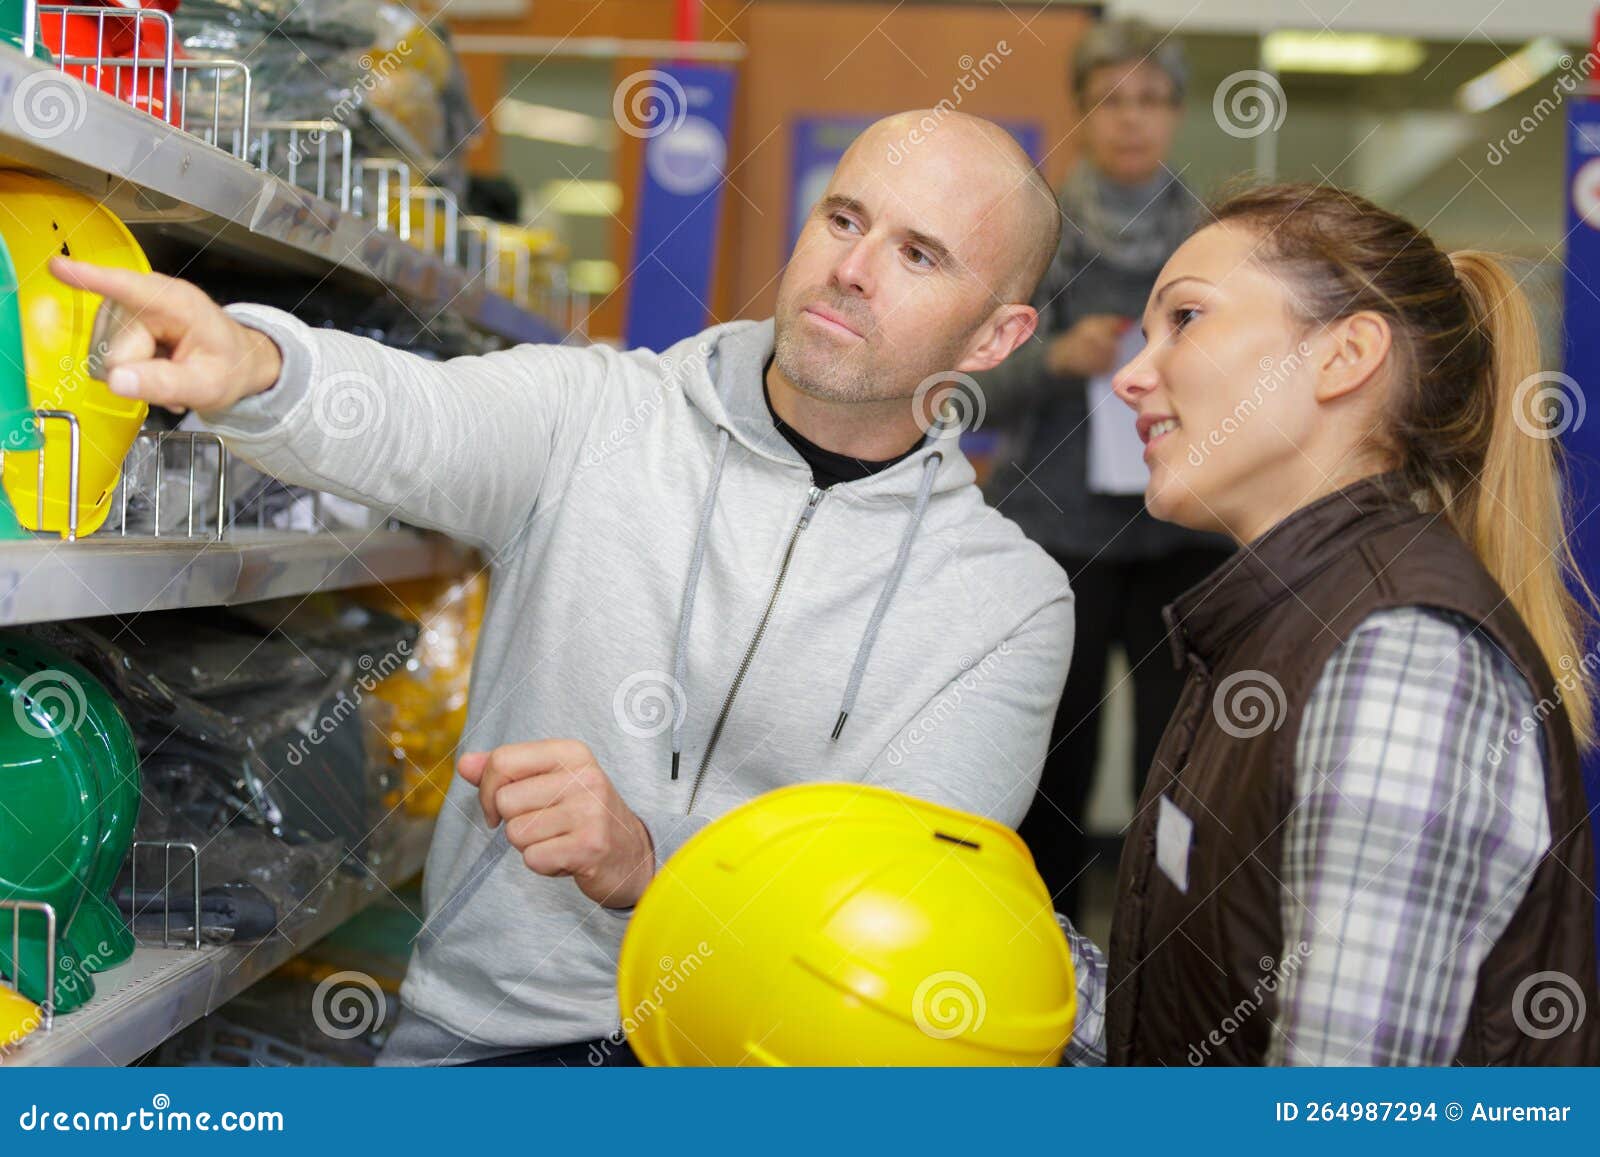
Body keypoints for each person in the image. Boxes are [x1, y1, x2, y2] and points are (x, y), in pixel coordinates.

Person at [51, 110, 1076, 1066]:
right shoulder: (601, 412)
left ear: (993, 338)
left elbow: (900, 912)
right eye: (843, 218)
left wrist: (652, 866)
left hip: (766, 1071)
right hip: (490, 1047)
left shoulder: (1006, 604)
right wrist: (263, 365)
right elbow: (425, 415)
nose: (851, 270)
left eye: (918, 254)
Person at [1059, 181, 1600, 1066]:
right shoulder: (1283, 621)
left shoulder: (1402, 654)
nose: (1130, 372)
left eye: (1185, 318)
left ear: (1345, 355)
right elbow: (1201, 1025)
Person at [974, 19, 1230, 922]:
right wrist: (1053, 357)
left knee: (1186, 760)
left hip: (1184, 535)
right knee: (1052, 761)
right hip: (1054, 537)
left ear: (1178, 112)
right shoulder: (1030, 230)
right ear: (1081, 109)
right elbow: (971, 394)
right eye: (1113, 100)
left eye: (1153, 99)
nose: (1133, 121)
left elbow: (1259, 387)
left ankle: (1168, 966)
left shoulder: (1218, 238)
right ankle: (1035, 958)